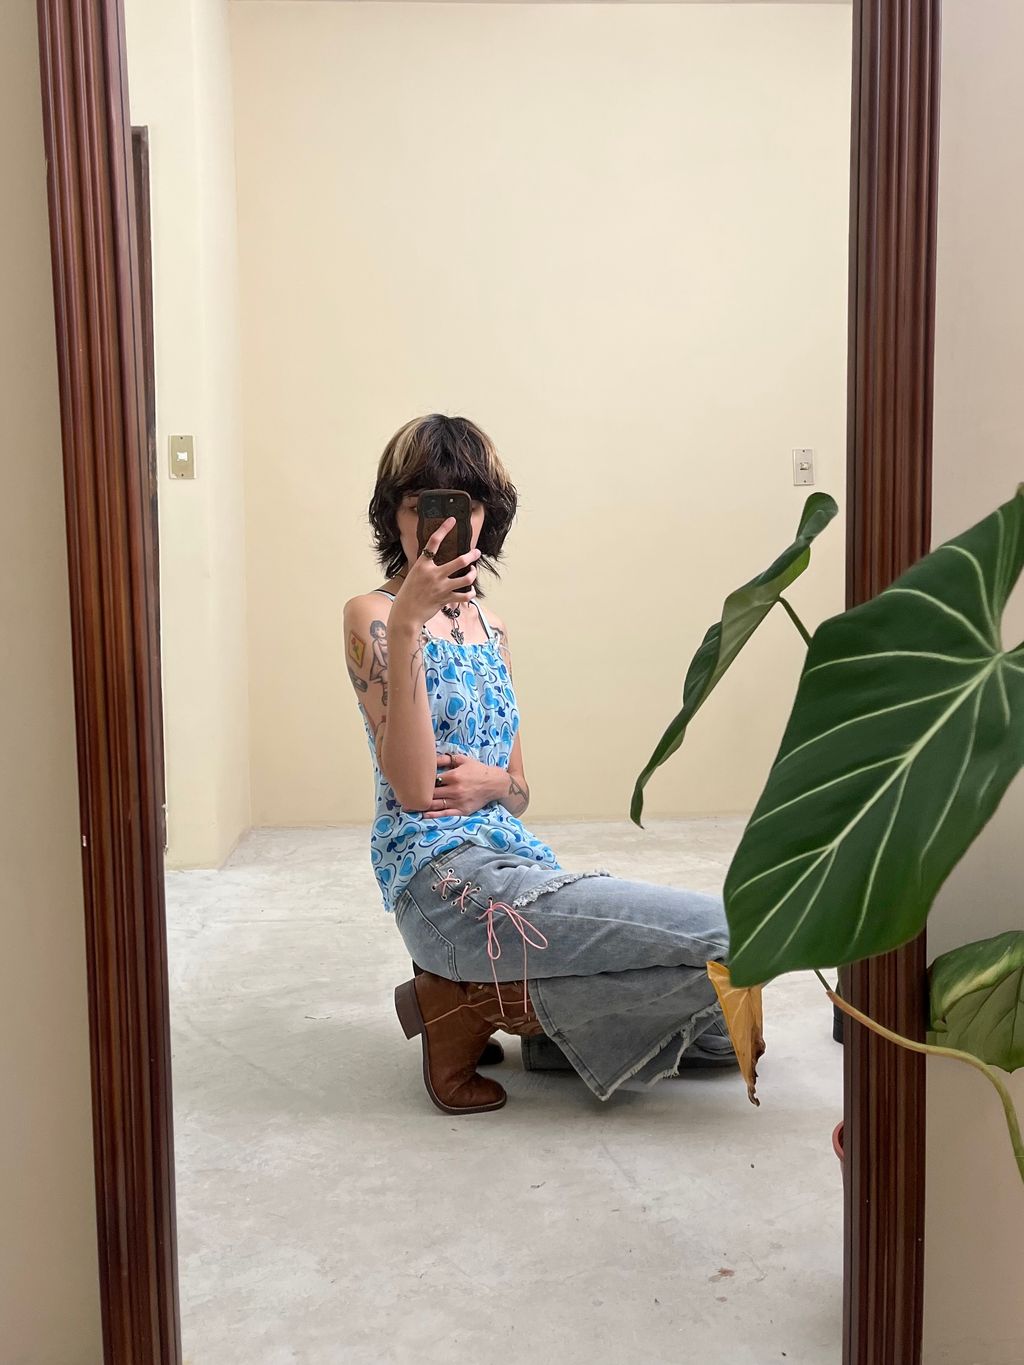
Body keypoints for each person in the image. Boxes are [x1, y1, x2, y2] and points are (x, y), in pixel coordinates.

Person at [344, 414, 735, 1115]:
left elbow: (520, 791)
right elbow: (410, 786)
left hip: (517, 863)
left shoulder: (493, 629)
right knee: (732, 936)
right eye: (422, 504)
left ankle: (501, 1012)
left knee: (721, 1035)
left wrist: (495, 782)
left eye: (464, 505)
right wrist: (407, 625)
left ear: (486, 516)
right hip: (443, 881)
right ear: (394, 515)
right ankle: (470, 1002)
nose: (442, 524)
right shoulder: (373, 615)